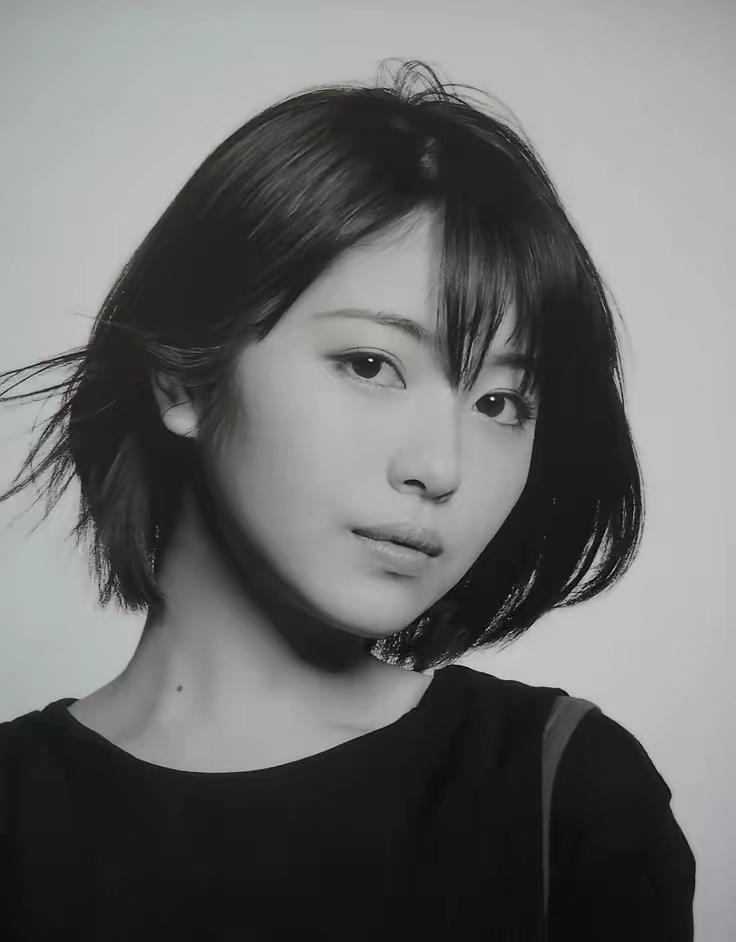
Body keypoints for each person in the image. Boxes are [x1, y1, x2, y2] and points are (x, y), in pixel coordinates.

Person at [0, 59, 695, 938]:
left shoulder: (566, 793)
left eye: (499, 404)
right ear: (185, 377)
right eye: (371, 364)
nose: (440, 467)